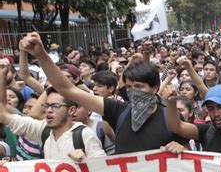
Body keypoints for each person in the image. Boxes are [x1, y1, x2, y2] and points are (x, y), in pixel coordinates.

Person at [18, 32, 181, 154]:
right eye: (129, 87)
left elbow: (188, 153)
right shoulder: (119, 111)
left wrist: (180, 149)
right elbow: (66, 89)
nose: (133, 92)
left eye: (139, 87)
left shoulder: (170, 117)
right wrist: (41, 55)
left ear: (155, 88)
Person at [0, 66, 105, 160]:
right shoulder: (43, 130)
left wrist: (86, 162)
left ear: (71, 110)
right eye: (46, 106)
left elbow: (104, 169)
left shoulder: (84, 135)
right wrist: (2, 76)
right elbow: (3, 116)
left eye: (55, 106)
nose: (49, 110)